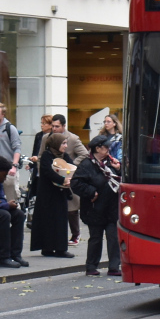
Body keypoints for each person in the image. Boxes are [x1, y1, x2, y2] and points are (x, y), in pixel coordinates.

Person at [72, 136, 122, 276]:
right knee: (95, 238)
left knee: (113, 237)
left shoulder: (111, 163)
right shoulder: (87, 165)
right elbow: (76, 183)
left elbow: (120, 180)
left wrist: (119, 169)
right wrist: (91, 192)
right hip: (95, 209)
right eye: (106, 147)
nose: (108, 150)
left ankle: (114, 267)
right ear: (97, 148)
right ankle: (91, 266)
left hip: (111, 207)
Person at [31, 133, 74, 258]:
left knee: (60, 220)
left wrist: (70, 179)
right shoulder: (46, 155)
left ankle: (61, 248)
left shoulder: (64, 156)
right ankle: (47, 247)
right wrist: (62, 180)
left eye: (66, 143)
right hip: (47, 193)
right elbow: (47, 171)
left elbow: (71, 167)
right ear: (56, 144)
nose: (65, 146)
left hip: (60, 193)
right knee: (48, 220)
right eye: (63, 143)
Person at [50, 115, 88, 244]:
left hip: (69, 176)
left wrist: (71, 166)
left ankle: (75, 234)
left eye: (57, 126)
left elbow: (84, 154)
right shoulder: (47, 137)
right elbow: (40, 156)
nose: (54, 129)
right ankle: (57, 236)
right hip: (53, 176)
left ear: (63, 126)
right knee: (56, 208)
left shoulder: (72, 138)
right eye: (53, 126)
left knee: (72, 209)